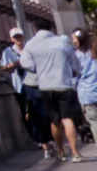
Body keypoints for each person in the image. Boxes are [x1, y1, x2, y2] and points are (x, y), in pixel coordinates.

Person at [28, 22, 80, 162]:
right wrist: (72, 71)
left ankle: (61, 150)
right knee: (67, 118)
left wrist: (38, 68)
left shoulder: (31, 44)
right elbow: (75, 63)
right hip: (64, 84)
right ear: (52, 29)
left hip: (46, 86)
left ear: (35, 29)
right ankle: (75, 152)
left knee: (55, 119)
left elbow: (27, 64)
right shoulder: (62, 42)